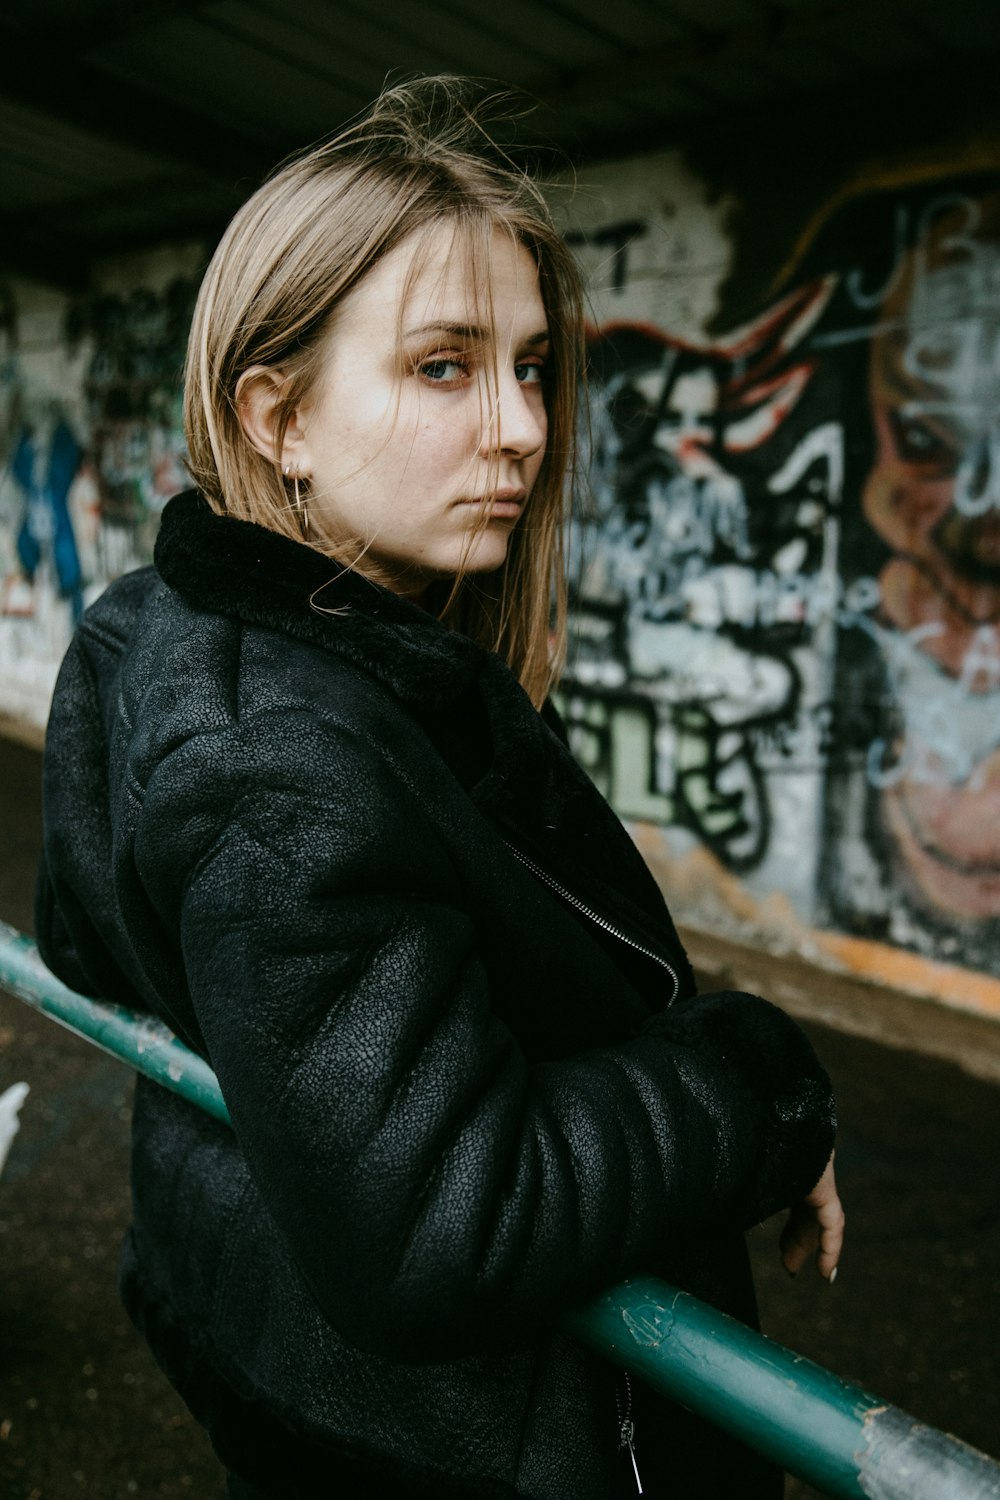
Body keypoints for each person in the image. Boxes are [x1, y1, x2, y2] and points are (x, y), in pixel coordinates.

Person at [35, 76, 843, 1499]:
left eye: (531, 367)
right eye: (444, 367)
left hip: (286, 1370)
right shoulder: (280, 766)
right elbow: (435, 1232)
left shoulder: (157, 626)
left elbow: (121, 960)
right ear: (275, 417)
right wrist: (758, 1092)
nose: (525, 431)